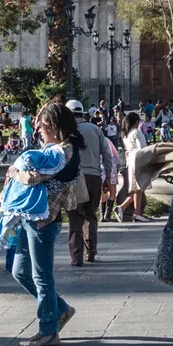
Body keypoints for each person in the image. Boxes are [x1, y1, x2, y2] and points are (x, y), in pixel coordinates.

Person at [0, 102, 85, 346]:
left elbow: (33, 178)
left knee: (41, 276)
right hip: (31, 216)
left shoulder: (64, 152)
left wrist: (14, 171)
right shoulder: (55, 148)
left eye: (43, 126)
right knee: (20, 271)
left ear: (55, 126)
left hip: (45, 220)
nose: (39, 130)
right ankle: (61, 309)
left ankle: (48, 329)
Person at [65, 100, 110, 265]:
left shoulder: (67, 131)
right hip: (94, 176)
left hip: (75, 177)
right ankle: (91, 252)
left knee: (76, 216)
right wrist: (107, 177)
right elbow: (107, 155)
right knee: (91, 215)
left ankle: (76, 256)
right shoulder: (95, 129)